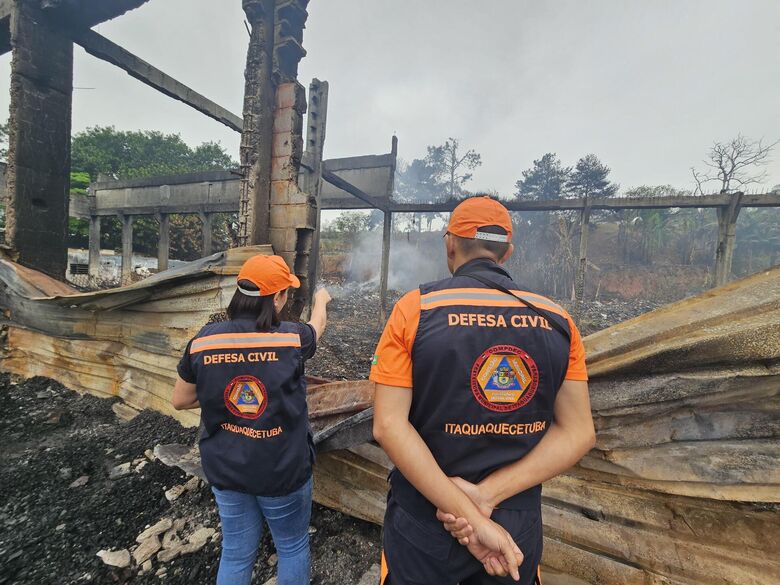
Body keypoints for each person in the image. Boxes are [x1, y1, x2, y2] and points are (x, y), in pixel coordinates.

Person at [370, 196, 596, 585]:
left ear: (449, 244)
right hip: (512, 528)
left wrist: (467, 512)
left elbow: (389, 426)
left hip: (425, 520)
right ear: (507, 252)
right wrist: (486, 498)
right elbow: (579, 433)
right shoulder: (558, 322)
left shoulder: (415, 309)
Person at [172, 254, 331, 585]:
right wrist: (321, 301)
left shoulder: (204, 340)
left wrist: (220, 389)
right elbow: (317, 329)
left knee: (235, 553)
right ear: (275, 298)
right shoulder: (291, 338)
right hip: (282, 471)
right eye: (285, 294)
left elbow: (181, 399)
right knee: (291, 547)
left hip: (227, 469)